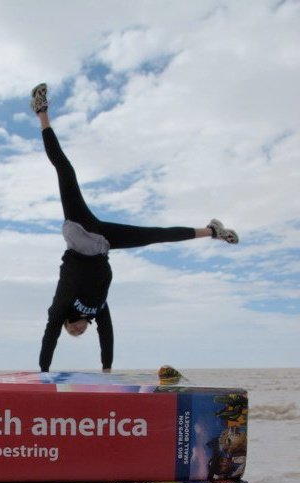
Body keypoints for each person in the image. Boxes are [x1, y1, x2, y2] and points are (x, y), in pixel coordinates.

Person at [30, 83, 239, 373]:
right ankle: (212, 231)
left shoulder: (61, 307)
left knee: (65, 170)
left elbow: (50, 333)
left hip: (80, 230)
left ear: (66, 322)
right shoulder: (98, 309)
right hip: (103, 243)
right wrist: (107, 371)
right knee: (154, 235)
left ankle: (41, 111)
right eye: (80, 333)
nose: (78, 331)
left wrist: (43, 374)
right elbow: (107, 335)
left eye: (72, 331)